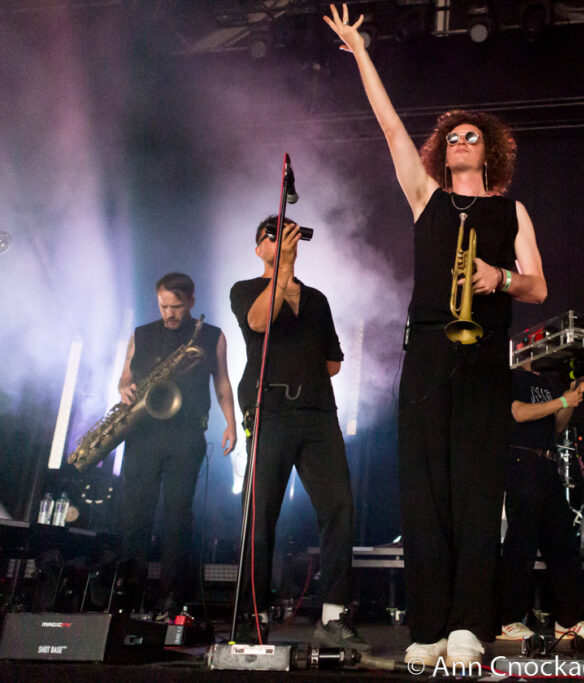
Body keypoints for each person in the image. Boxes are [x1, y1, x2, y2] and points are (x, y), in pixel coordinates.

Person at [323, 3, 547, 667]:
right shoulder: (425, 195)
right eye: (453, 137)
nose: (460, 142)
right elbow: (390, 125)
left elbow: (539, 286)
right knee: (421, 490)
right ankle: (427, 627)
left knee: (476, 489)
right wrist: (362, 53)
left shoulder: (511, 210)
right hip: (426, 349)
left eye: (472, 136)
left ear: (490, 150)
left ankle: (468, 624)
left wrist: (500, 278)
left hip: (484, 356)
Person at [229, 217, 366, 649]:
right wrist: (284, 267)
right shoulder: (245, 289)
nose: (282, 240)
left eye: (287, 234)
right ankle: (253, 616)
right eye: (272, 235)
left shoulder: (317, 299)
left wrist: (304, 363)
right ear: (259, 248)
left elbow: (333, 363)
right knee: (261, 513)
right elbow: (259, 322)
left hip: (318, 413)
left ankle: (334, 616)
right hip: (270, 408)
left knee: (339, 506)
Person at [118, 272, 236, 619]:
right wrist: (123, 387)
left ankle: (171, 598)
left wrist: (231, 423)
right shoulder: (141, 334)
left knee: (177, 517)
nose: (169, 313)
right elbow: (125, 375)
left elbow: (223, 382)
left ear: (191, 302)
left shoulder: (212, 335)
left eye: (177, 307)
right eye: (163, 306)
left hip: (186, 435)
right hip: (143, 433)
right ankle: (129, 596)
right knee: (135, 516)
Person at [497, 363, 584, 643]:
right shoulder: (513, 376)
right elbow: (518, 412)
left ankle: (568, 621)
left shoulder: (546, 382)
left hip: (547, 463)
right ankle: (508, 619)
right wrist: (562, 401)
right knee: (522, 542)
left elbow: (557, 425)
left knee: (562, 540)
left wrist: (572, 396)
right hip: (522, 461)